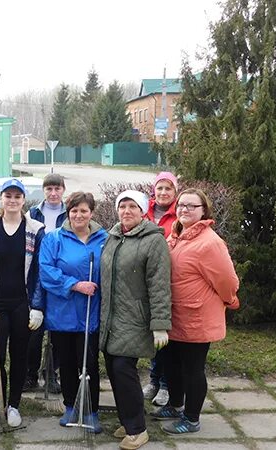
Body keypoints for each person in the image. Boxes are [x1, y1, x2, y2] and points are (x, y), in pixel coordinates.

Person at [152, 188, 239, 435]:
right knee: (172, 365)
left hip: (196, 318)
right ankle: (175, 404)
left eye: (192, 206)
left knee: (192, 369)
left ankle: (191, 418)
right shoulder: (174, 236)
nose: (184, 210)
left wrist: (230, 300)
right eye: (181, 205)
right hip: (174, 316)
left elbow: (227, 281)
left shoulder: (210, 243)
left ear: (204, 211)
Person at [100, 190, 171, 450]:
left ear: (143, 212)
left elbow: (159, 284)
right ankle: (128, 419)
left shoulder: (153, 241)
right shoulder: (114, 236)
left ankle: (137, 430)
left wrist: (160, 324)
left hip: (135, 318)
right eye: (122, 206)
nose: (127, 211)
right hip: (110, 318)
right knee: (113, 370)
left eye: (133, 207)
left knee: (123, 370)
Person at [0, 178, 45, 427]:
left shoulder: (36, 230)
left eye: (17, 196)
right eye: (8, 196)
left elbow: (39, 271)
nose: (12, 200)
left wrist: (37, 307)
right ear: (1, 199)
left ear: (24, 200)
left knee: (19, 356)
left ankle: (13, 404)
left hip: (22, 305)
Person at [39, 191, 107, 433]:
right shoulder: (54, 238)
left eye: (84, 211)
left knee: (88, 364)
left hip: (91, 312)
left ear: (91, 213)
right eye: (74, 211)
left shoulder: (104, 239)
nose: (79, 215)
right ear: (68, 213)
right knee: (67, 362)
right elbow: (46, 272)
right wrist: (75, 285)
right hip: (63, 313)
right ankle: (70, 406)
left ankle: (91, 410)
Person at [24, 173, 67, 393]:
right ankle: (30, 374)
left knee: (57, 331)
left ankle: (51, 373)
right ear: (43, 191)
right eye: (49, 189)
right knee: (34, 331)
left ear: (63, 190)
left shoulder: (69, 213)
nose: (53, 193)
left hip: (61, 275)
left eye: (57, 189)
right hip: (36, 277)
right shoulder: (32, 213)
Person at [142, 171, 178, 407]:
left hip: (170, 280)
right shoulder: (145, 213)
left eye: (168, 189)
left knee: (166, 337)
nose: (163, 193)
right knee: (151, 336)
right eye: (160, 188)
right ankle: (153, 379)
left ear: (175, 192)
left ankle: (165, 384)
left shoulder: (179, 215)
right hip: (145, 281)